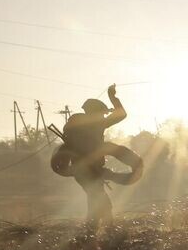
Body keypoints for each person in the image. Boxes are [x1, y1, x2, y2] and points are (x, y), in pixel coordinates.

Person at [52, 84, 142, 221]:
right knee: (100, 201)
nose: (103, 116)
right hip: (86, 171)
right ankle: (97, 230)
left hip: (88, 171)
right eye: (102, 113)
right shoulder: (91, 124)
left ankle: (95, 229)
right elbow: (121, 114)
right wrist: (112, 97)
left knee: (97, 200)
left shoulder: (82, 124)